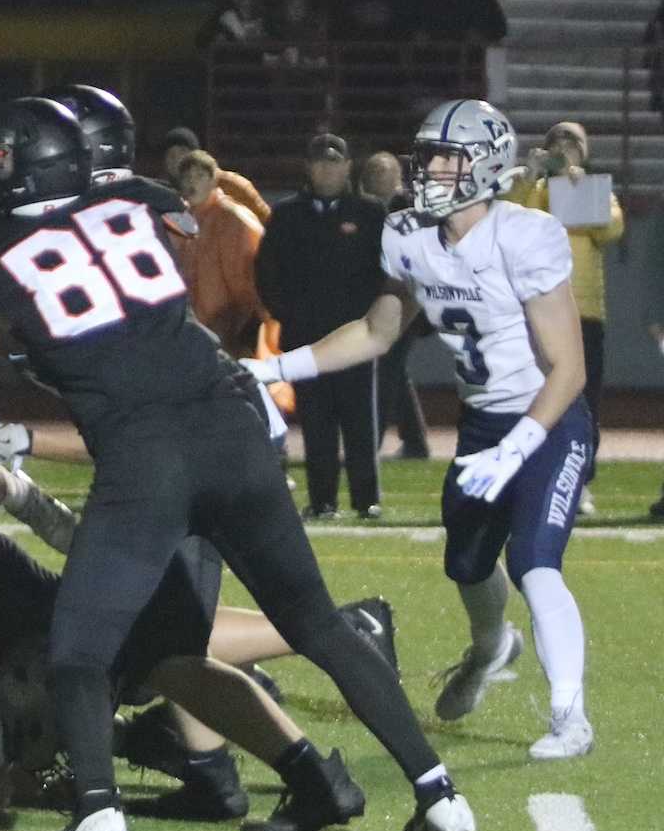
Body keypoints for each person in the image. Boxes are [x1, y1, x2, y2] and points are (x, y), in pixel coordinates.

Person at [0, 92, 472, 831]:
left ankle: (98, 811)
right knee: (314, 625)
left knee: (79, 648)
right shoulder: (137, 203)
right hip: (233, 427)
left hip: (148, 455)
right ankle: (438, 792)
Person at [250, 100, 596, 760]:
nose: (429, 168)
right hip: (482, 425)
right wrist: (273, 369)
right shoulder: (408, 233)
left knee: (534, 565)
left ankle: (569, 715)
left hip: (549, 420)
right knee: (465, 564)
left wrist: (520, 445)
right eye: (427, 155)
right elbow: (377, 332)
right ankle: (492, 647)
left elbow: (570, 369)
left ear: (484, 165)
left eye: (445, 157)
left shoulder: (526, 235)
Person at [256, 133, 384, 518]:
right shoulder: (286, 215)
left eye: (334, 161)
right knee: (316, 422)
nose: (326, 168)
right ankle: (323, 499)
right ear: (308, 167)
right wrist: (288, 315)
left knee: (361, 420)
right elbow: (266, 273)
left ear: (348, 166)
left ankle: (367, 500)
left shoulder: (370, 214)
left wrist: (373, 321)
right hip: (306, 338)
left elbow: (386, 273)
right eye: (319, 161)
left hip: (356, 336)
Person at [513, 121, 618, 516]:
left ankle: (580, 482)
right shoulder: (532, 190)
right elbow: (508, 221)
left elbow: (610, 228)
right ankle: (534, 477)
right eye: (557, 143)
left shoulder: (592, 189)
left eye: (571, 144)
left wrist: (577, 187)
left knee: (584, 402)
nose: (564, 149)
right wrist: (529, 177)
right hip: (539, 311)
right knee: (535, 398)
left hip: (585, 311)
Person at [360, 149, 431, 459]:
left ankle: (370, 442)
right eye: (375, 176)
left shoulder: (409, 210)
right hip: (384, 300)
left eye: (384, 176)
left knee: (386, 370)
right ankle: (415, 442)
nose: (380, 182)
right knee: (394, 372)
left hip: (407, 302)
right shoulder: (366, 210)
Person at [170, 149, 266, 359]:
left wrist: (243, 330)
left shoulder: (233, 218)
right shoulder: (182, 221)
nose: (191, 183)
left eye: (199, 176)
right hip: (199, 337)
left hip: (232, 337)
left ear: (213, 179)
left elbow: (251, 282)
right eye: (187, 177)